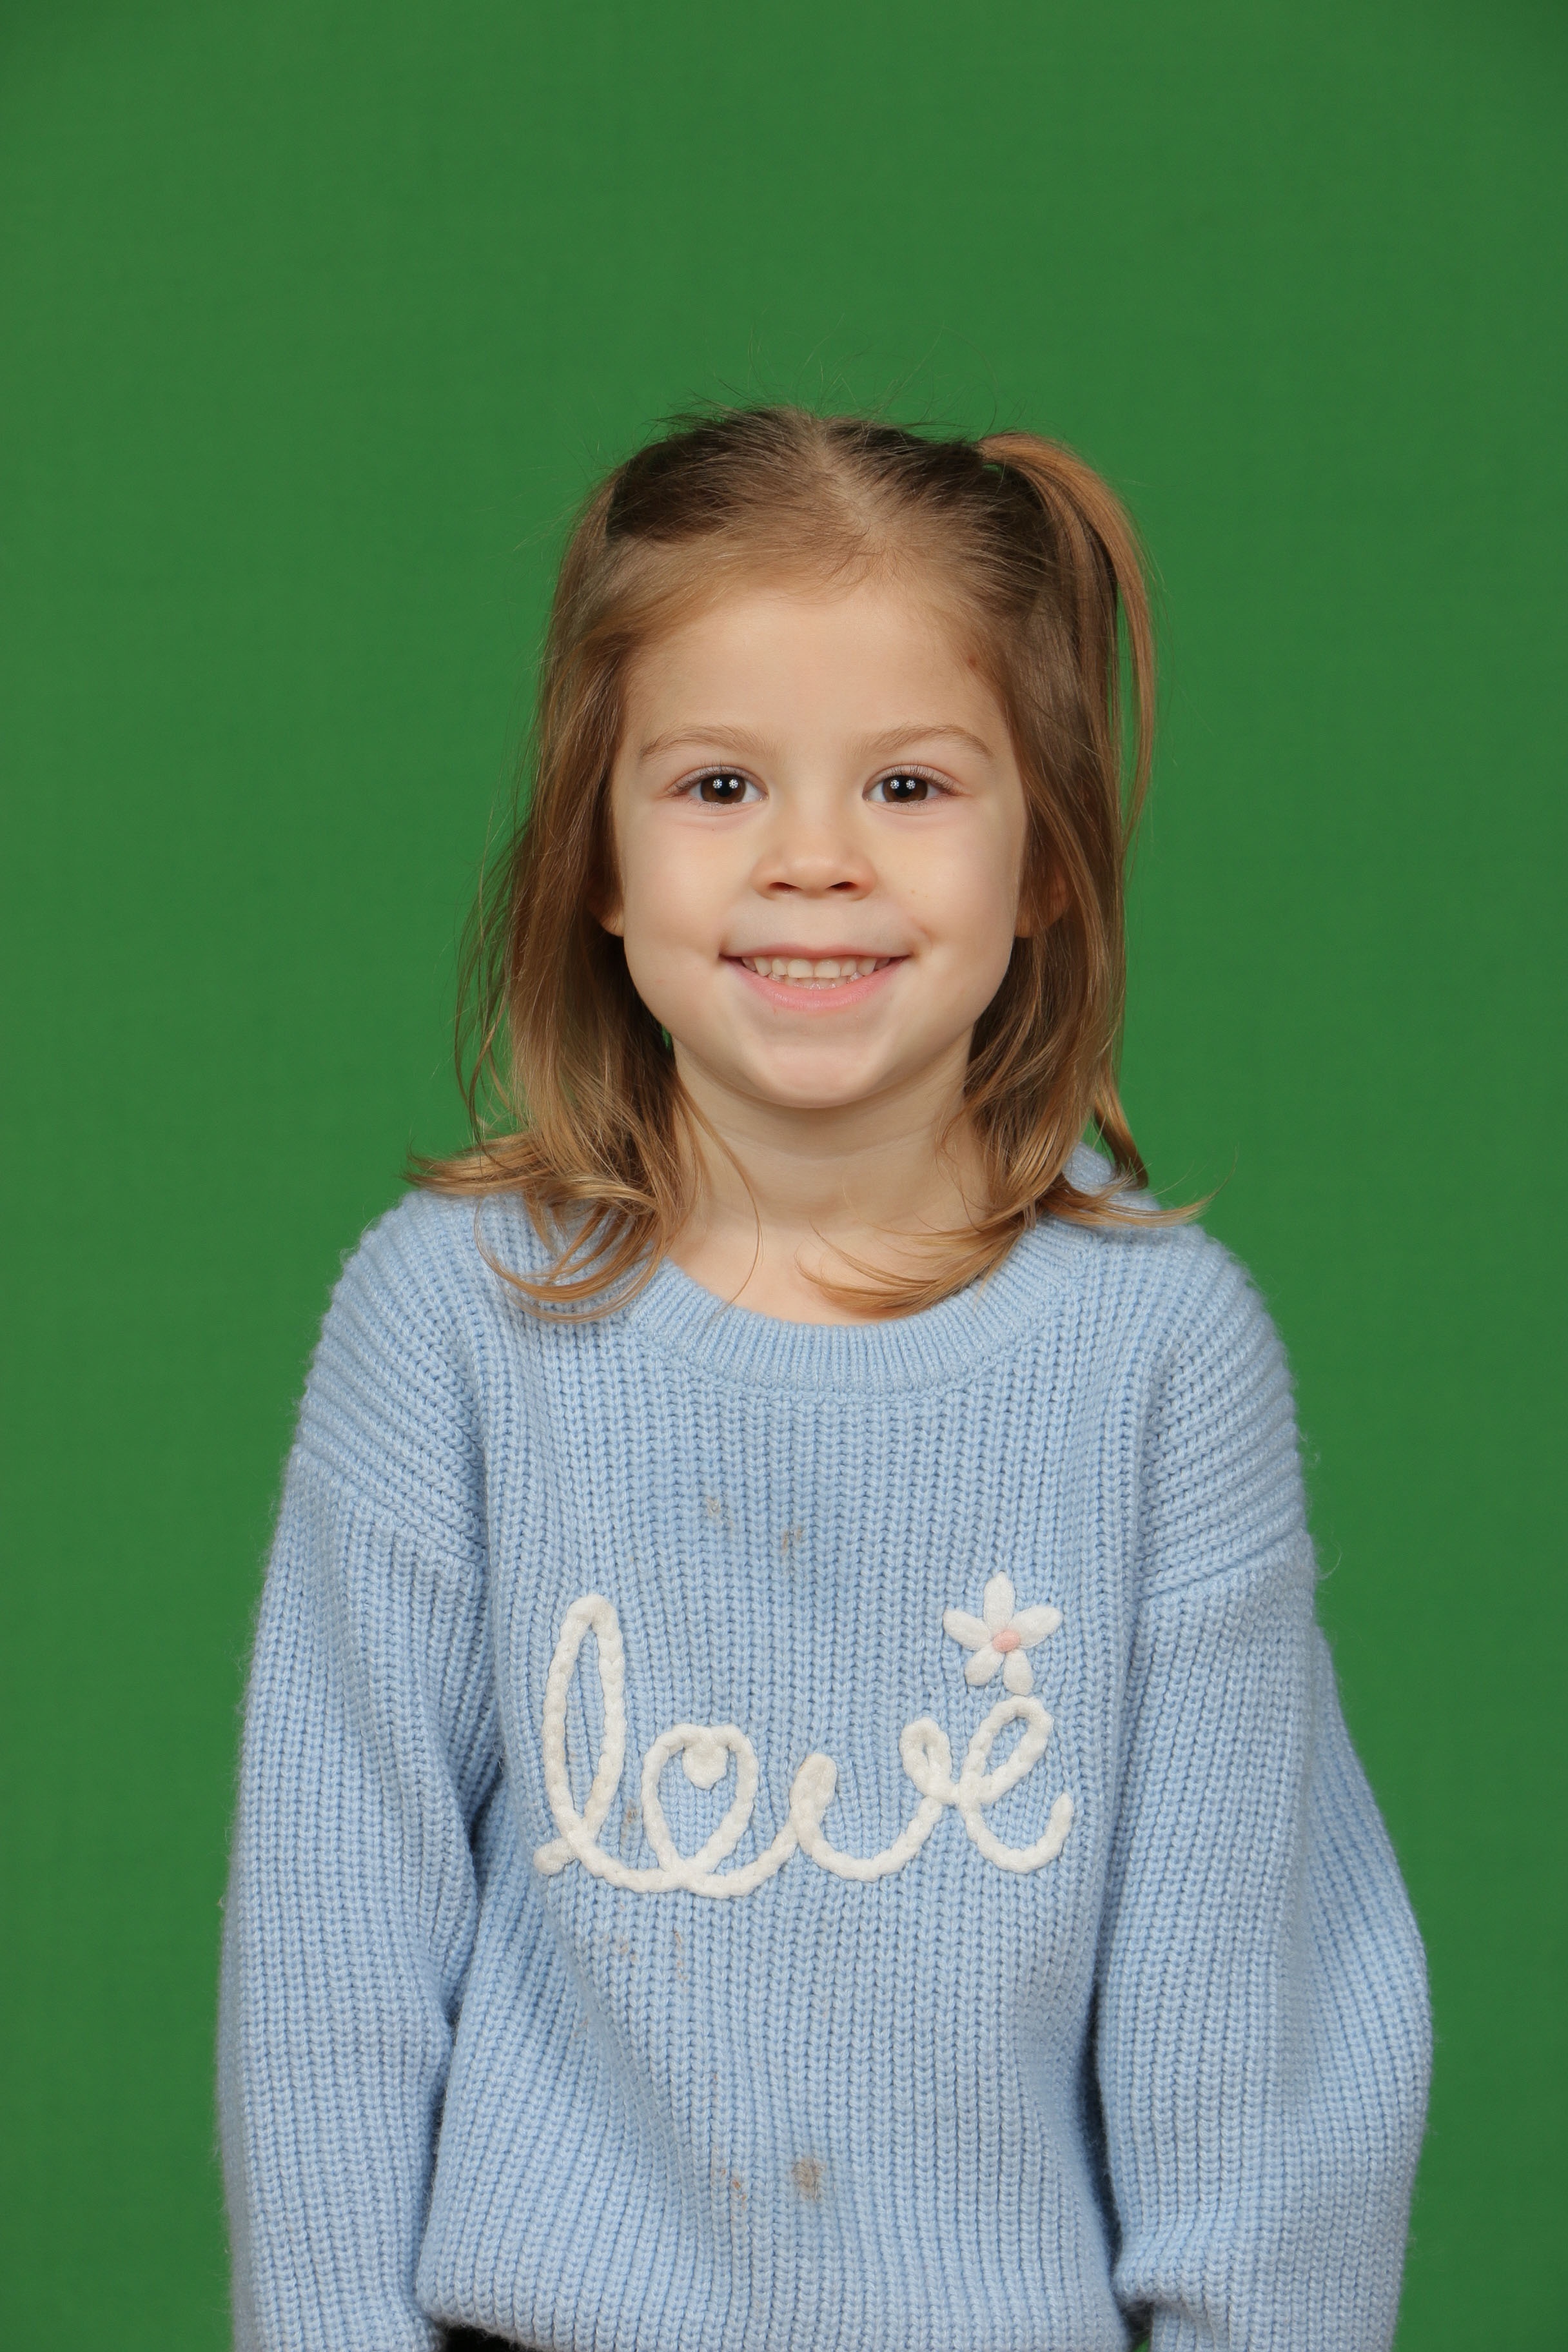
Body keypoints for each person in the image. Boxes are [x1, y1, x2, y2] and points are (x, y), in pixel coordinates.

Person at [218, 408, 1431, 2352]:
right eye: (717, 784)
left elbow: (1252, 2042)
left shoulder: (1161, 1358)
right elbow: (330, 1970)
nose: (812, 862)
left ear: (1046, 859)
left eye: (910, 785)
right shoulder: (451, 1318)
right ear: (598, 859)